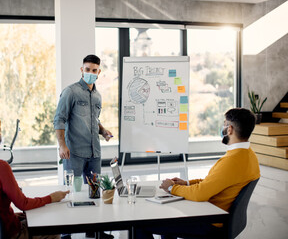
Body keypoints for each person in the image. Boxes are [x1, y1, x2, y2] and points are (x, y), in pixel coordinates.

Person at [137, 108, 261, 239]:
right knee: (168, 216)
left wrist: (171, 188)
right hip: (214, 214)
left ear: (229, 129)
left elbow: (199, 194)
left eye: (224, 124)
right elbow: (215, 181)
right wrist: (187, 183)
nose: (222, 128)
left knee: (140, 224)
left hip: (209, 223)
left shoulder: (233, 161)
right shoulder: (248, 155)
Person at [0, 114, 69, 239]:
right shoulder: (0, 167)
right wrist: (52, 197)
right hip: (9, 233)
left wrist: (10, 215)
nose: (0, 136)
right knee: (52, 230)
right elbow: (23, 203)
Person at [53, 54, 114, 239]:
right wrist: (62, 145)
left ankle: (93, 231)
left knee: (95, 192)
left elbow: (95, 120)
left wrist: (103, 131)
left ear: (98, 72)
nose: (90, 73)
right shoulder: (70, 92)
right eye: (87, 69)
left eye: (94, 71)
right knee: (71, 193)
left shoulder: (97, 96)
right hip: (75, 154)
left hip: (94, 153)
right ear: (82, 69)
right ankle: (66, 234)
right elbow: (59, 119)